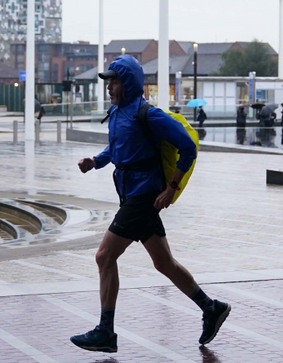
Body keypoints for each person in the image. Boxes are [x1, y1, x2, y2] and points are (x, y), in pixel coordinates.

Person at [71, 55, 230, 353]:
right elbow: (117, 147)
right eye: (108, 82)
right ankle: (211, 308)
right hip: (131, 194)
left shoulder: (150, 115)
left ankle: (106, 331)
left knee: (104, 256)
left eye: (114, 81)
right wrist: (96, 161)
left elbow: (188, 147)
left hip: (145, 196)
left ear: (128, 83)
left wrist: (172, 188)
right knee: (163, 262)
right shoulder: (117, 113)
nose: (110, 87)